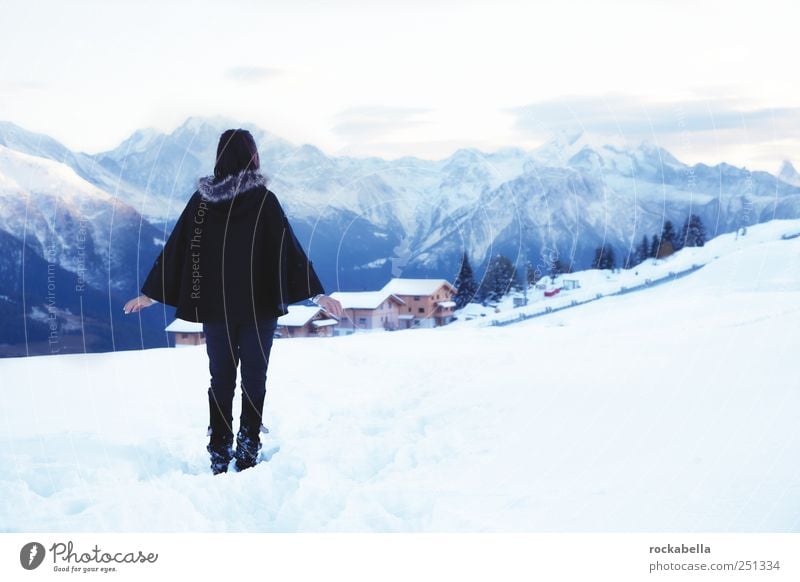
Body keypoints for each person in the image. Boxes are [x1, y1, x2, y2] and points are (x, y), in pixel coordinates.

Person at [123, 129, 343, 474]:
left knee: (221, 378)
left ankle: (219, 448)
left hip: (216, 309)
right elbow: (288, 250)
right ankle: (248, 445)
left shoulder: (202, 203)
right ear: (253, 157)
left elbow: (179, 246)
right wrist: (316, 292)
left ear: (219, 158)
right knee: (255, 377)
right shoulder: (263, 201)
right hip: (260, 309)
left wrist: (151, 292)